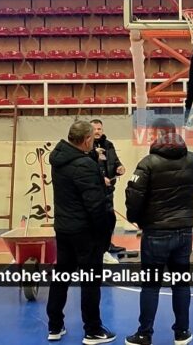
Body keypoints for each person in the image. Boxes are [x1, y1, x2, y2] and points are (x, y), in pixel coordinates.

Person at [124, 118, 193, 345]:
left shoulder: (148, 163)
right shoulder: (192, 160)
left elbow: (133, 196)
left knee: (150, 285)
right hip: (183, 233)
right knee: (181, 283)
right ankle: (182, 333)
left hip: (156, 233)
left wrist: (136, 220)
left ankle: (144, 334)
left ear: (157, 135)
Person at [47, 120, 117, 344]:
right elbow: (95, 205)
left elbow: (74, 178)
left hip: (64, 228)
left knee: (61, 277)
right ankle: (93, 330)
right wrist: (105, 232)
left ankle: (54, 326)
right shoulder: (84, 165)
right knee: (90, 281)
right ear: (87, 140)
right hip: (85, 232)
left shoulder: (59, 158)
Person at [89, 119, 127, 259]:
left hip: (108, 190)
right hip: (93, 191)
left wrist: (119, 168)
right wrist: (99, 179)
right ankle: (96, 247)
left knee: (110, 218)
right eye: (94, 129)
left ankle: (107, 245)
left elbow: (115, 161)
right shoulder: (86, 147)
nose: (97, 131)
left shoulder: (108, 145)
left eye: (99, 129)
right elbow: (85, 168)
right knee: (95, 219)